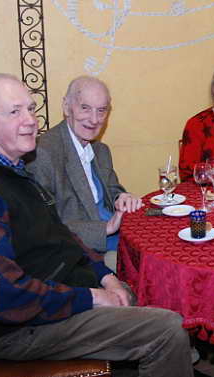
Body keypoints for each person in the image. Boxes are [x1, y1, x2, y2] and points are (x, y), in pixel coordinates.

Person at [0, 74, 196, 377]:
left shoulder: (11, 170)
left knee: (144, 291)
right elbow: (5, 297)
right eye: (14, 112)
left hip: (52, 295)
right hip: (21, 329)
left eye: (30, 108)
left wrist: (103, 276)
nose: (30, 121)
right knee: (166, 329)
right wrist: (92, 297)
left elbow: (63, 236)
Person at [26, 76, 141, 272]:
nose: (94, 120)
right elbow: (46, 227)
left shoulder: (100, 150)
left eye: (101, 110)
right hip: (84, 252)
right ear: (66, 107)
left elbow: (112, 188)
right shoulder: (43, 154)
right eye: (85, 108)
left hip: (116, 236)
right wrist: (106, 228)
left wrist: (122, 197)